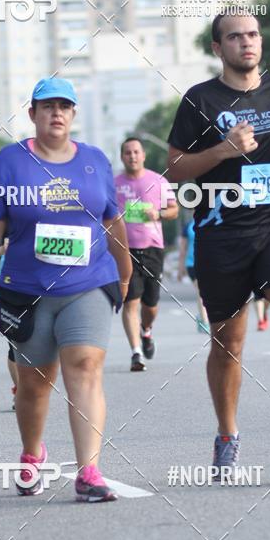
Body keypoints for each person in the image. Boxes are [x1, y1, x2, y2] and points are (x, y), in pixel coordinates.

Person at [167, 11, 270, 476]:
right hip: (222, 234)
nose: (247, 43)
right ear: (218, 48)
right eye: (235, 37)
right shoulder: (200, 100)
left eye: (253, 34)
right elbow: (174, 169)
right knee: (228, 344)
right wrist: (222, 150)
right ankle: (227, 433)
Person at [0, 76, 132, 502]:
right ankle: (32, 452)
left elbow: (111, 218)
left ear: (74, 115)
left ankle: (89, 471)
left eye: (64, 106)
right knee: (34, 383)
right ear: (33, 114)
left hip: (89, 281)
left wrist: (124, 266)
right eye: (47, 106)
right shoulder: (11, 161)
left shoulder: (95, 160)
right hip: (28, 287)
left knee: (84, 366)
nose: (56, 113)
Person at [115, 136, 178, 371]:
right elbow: (105, 215)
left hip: (152, 248)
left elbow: (174, 209)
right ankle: (136, 352)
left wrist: (159, 213)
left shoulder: (158, 181)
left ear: (143, 155)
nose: (132, 156)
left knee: (150, 305)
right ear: (122, 157)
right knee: (131, 302)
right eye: (127, 152)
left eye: (136, 152)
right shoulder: (114, 184)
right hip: (125, 250)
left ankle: (147, 330)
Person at [177, 217, 209, 333]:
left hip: (208, 263)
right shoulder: (188, 226)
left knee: (207, 292)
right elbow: (183, 249)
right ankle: (205, 322)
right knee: (201, 291)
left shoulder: (211, 221)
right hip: (191, 264)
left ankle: (201, 317)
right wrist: (180, 269)